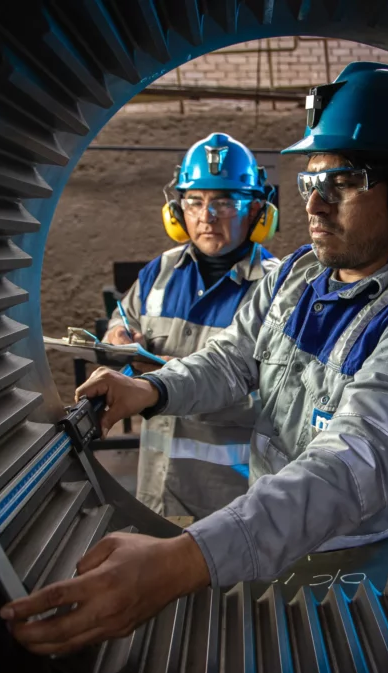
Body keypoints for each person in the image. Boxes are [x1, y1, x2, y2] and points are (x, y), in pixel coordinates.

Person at [1, 62, 388, 656]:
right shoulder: (303, 277)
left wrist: (181, 560)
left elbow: (346, 469)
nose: (317, 205)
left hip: (354, 569)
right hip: (261, 542)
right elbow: (232, 360)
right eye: (310, 183)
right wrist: (151, 390)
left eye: (344, 183)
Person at [102, 132, 280, 519]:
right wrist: (116, 337)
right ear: (177, 211)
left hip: (234, 502)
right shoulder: (158, 273)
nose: (206, 217)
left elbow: (286, 401)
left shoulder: (279, 289)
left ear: (258, 212)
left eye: (224, 202)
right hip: (156, 489)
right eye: (194, 202)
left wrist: (173, 381)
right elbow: (122, 319)